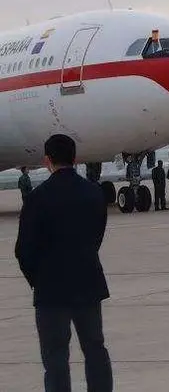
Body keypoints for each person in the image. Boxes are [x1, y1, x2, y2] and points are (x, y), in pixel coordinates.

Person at [14, 134, 113, 392]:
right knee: (95, 349)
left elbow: (23, 250)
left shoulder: (37, 198)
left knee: (56, 357)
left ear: (47, 160)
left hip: (51, 289)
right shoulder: (94, 193)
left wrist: (38, 278)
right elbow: (97, 235)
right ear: (75, 158)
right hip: (88, 282)